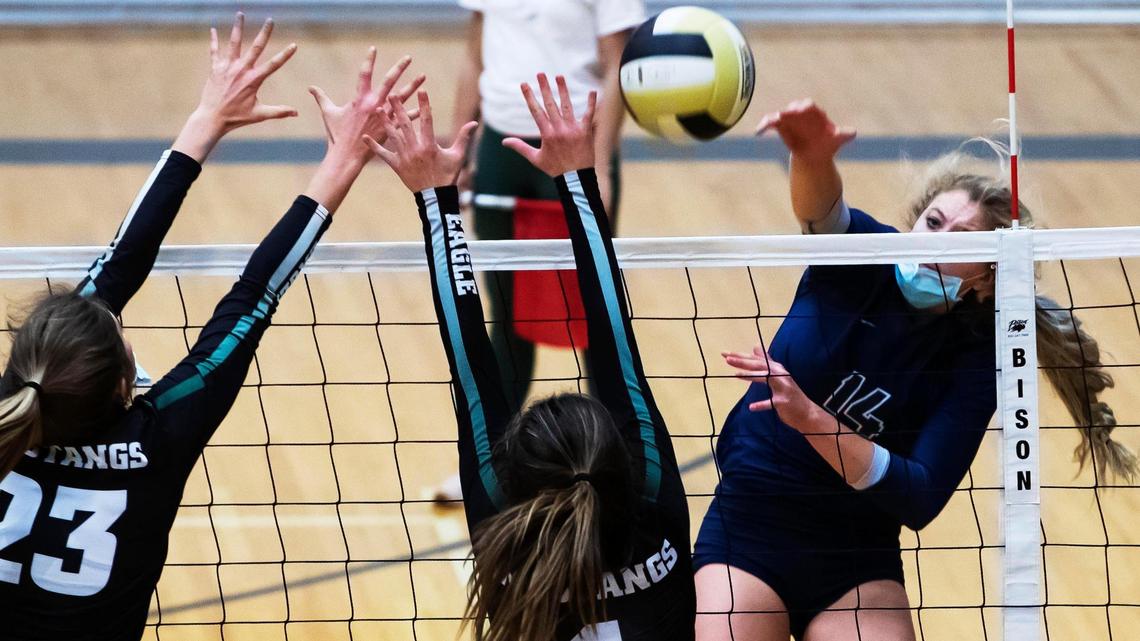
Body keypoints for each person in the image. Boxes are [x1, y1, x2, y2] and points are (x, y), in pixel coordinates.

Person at [0, 15, 420, 638]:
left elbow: (122, 269)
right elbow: (251, 298)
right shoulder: (157, 441)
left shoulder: (19, 394)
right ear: (122, 387)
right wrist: (343, 156)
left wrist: (209, 120)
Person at [692, 99, 1138, 641]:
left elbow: (920, 496)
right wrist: (810, 155)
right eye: (933, 221)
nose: (936, 242)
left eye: (961, 239)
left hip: (856, 558)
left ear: (985, 279)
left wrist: (811, 418)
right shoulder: (862, 260)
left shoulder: (975, 360)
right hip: (752, 525)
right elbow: (821, 211)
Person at [369, 74, 693, 641]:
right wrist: (578, 177)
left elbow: (475, 359)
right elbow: (610, 340)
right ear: (621, 458)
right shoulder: (654, 509)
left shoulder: (505, 533)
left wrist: (439, 200)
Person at [451, 0, 645, 410]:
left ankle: (618, 455)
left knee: (598, 312)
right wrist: (459, 148)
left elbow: (619, 68)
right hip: (500, 150)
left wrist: (601, 167)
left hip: (573, 149)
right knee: (505, 313)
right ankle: (496, 459)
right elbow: (474, 58)